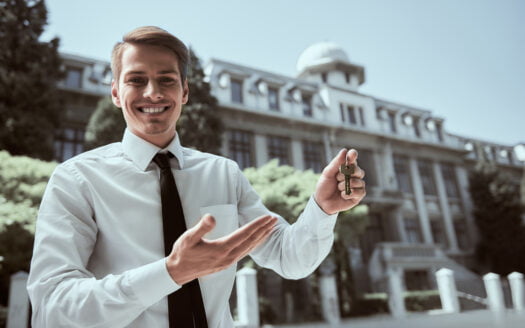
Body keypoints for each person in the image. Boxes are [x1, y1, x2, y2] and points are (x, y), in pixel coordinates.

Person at [27, 26, 366, 328]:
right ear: (116, 93)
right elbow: (53, 307)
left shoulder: (223, 173)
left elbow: (289, 257)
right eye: (136, 79)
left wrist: (322, 209)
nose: (153, 92)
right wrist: (171, 272)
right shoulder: (76, 179)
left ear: (185, 92)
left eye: (166, 80)